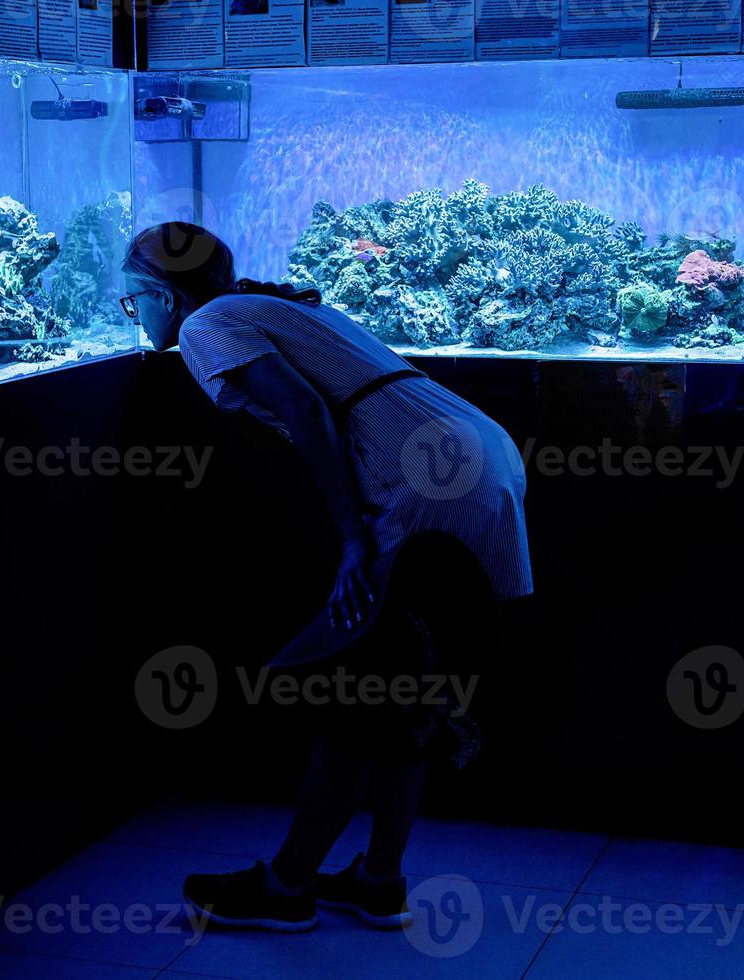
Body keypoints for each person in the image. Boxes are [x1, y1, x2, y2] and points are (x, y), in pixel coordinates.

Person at [120, 222, 533, 931]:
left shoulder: (207, 323)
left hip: (426, 477)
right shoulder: (267, 305)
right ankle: (378, 879)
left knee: (357, 694)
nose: (136, 315)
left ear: (161, 290)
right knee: (405, 692)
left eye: (134, 300)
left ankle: (284, 890)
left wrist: (350, 540)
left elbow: (305, 411)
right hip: (474, 452)